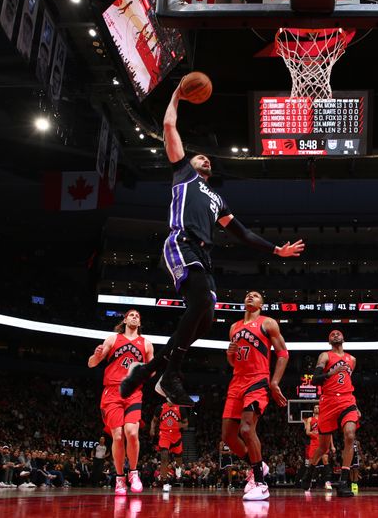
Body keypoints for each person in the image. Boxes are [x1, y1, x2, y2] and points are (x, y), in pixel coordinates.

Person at [119, 81, 304, 407]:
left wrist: (276, 250)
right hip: (181, 243)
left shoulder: (218, 199)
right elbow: (168, 125)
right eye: (199, 156)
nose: (204, 158)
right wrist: (177, 95)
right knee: (202, 300)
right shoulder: (182, 175)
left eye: (208, 159)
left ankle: (149, 371)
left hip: (202, 255)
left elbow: (242, 234)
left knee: (206, 317)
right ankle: (169, 375)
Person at [221, 291, 290, 501]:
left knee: (246, 428)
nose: (250, 297)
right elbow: (234, 362)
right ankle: (258, 464)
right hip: (236, 382)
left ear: (262, 303)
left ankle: (260, 482)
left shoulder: (267, 323)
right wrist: (229, 354)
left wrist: (274, 381)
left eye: (256, 295)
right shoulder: (234, 327)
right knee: (228, 437)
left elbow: (283, 353)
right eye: (248, 295)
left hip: (257, 380)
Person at [88, 309, 154, 496]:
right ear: (125, 320)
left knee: (132, 433)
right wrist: (96, 354)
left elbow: (153, 372)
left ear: (140, 323)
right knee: (117, 437)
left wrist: (148, 369)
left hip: (133, 392)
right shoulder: (112, 339)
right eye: (131, 315)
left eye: (138, 316)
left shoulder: (147, 344)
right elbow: (92, 363)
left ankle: (133, 472)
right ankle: (119, 478)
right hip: (112, 392)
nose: (134, 317)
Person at [305, 330, 361, 497]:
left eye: (338, 333)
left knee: (350, 435)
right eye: (332, 334)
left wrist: (355, 404)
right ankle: (309, 472)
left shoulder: (352, 359)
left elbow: (348, 382)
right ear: (329, 340)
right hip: (328, 401)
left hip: (347, 400)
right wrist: (331, 373)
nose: (336, 335)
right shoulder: (325, 356)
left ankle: (344, 482)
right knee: (323, 447)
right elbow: (315, 380)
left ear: (344, 338)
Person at [151, 400, 188, 492]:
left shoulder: (181, 408)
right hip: (164, 435)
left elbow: (186, 424)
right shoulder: (160, 408)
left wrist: (182, 425)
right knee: (164, 457)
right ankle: (165, 482)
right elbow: (154, 420)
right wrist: (152, 428)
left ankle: (178, 469)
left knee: (178, 458)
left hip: (176, 436)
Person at [303, 404, 334, 490]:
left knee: (325, 460)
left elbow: (329, 433)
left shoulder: (324, 418)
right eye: (315, 407)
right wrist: (315, 434)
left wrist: (332, 446)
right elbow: (307, 432)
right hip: (314, 443)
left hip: (323, 442)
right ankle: (308, 482)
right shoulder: (310, 419)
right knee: (311, 462)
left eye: (318, 407)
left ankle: (327, 482)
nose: (316, 408)